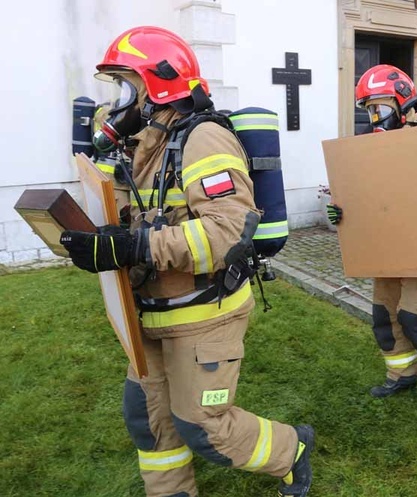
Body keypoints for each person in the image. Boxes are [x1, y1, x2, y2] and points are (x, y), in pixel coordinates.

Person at [59, 26, 313, 497]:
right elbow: (134, 221)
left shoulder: (205, 140)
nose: (119, 102)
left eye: (125, 87)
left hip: (203, 315)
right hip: (149, 312)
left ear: (157, 86)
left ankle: (291, 450)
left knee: (203, 426)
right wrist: (102, 239)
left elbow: (228, 230)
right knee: (149, 416)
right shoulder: (142, 150)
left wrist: (134, 248)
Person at [327, 64, 417, 397]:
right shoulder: (368, 153)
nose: (375, 117)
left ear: (403, 103)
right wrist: (342, 213)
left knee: (416, 318)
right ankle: (402, 374)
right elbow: (366, 201)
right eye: (369, 109)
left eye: (379, 107)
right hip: (388, 250)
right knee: (384, 317)